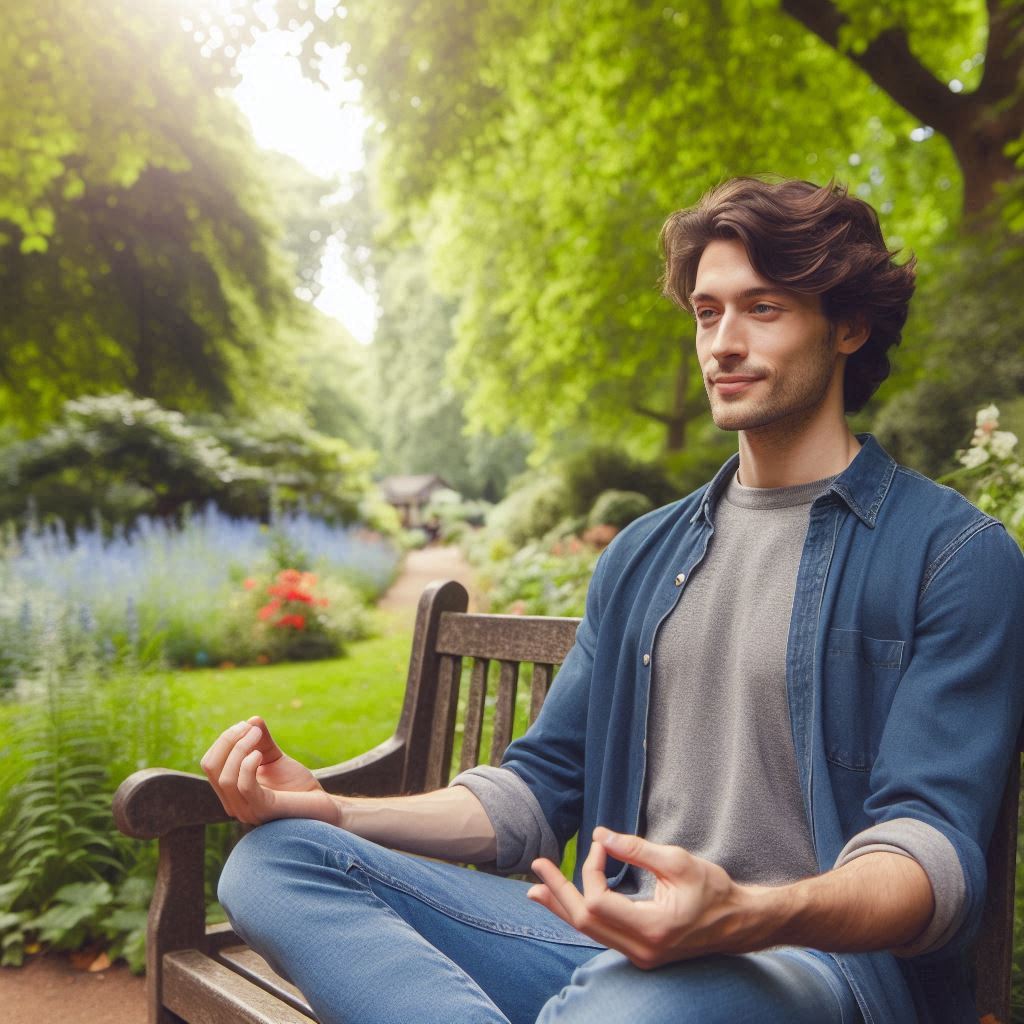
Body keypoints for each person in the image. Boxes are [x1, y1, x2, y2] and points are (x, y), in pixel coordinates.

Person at [204, 177, 1024, 1024]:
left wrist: (747, 914)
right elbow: (537, 786)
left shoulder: (953, 557)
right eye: (708, 313)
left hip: (813, 969)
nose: (723, 344)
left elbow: (928, 858)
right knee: (275, 862)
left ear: (848, 326)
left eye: (763, 309)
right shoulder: (642, 555)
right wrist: (333, 807)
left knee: (631, 1006)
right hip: (612, 947)